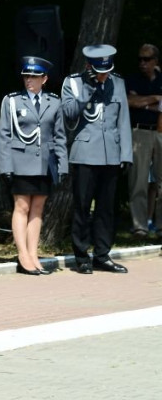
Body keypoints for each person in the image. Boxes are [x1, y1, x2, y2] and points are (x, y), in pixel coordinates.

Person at [62, 44, 133, 274]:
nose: (105, 75)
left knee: (106, 209)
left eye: (107, 71)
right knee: (82, 207)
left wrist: (125, 154)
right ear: (88, 67)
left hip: (111, 154)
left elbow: (123, 120)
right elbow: (69, 114)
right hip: (85, 154)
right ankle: (82, 256)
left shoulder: (118, 82)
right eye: (100, 71)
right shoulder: (72, 83)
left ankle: (102, 255)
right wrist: (89, 88)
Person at [0, 57, 68, 276]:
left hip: (44, 163)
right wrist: (5, 165)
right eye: (26, 76)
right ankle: (23, 255)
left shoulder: (54, 102)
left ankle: (33, 253)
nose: (29, 80)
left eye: (34, 77)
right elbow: (4, 135)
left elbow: (59, 136)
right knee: (22, 207)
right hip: (20, 162)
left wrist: (62, 165)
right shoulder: (11, 101)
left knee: (37, 209)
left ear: (44, 79)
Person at [124, 43, 162, 238]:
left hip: (160, 131)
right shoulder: (132, 80)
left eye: (146, 59)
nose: (142, 63)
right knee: (138, 179)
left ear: (155, 60)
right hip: (139, 132)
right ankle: (140, 226)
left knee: (160, 181)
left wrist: (142, 102)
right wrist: (155, 99)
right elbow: (129, 102)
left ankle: (160, 225)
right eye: (140, 59)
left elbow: (138, 102)